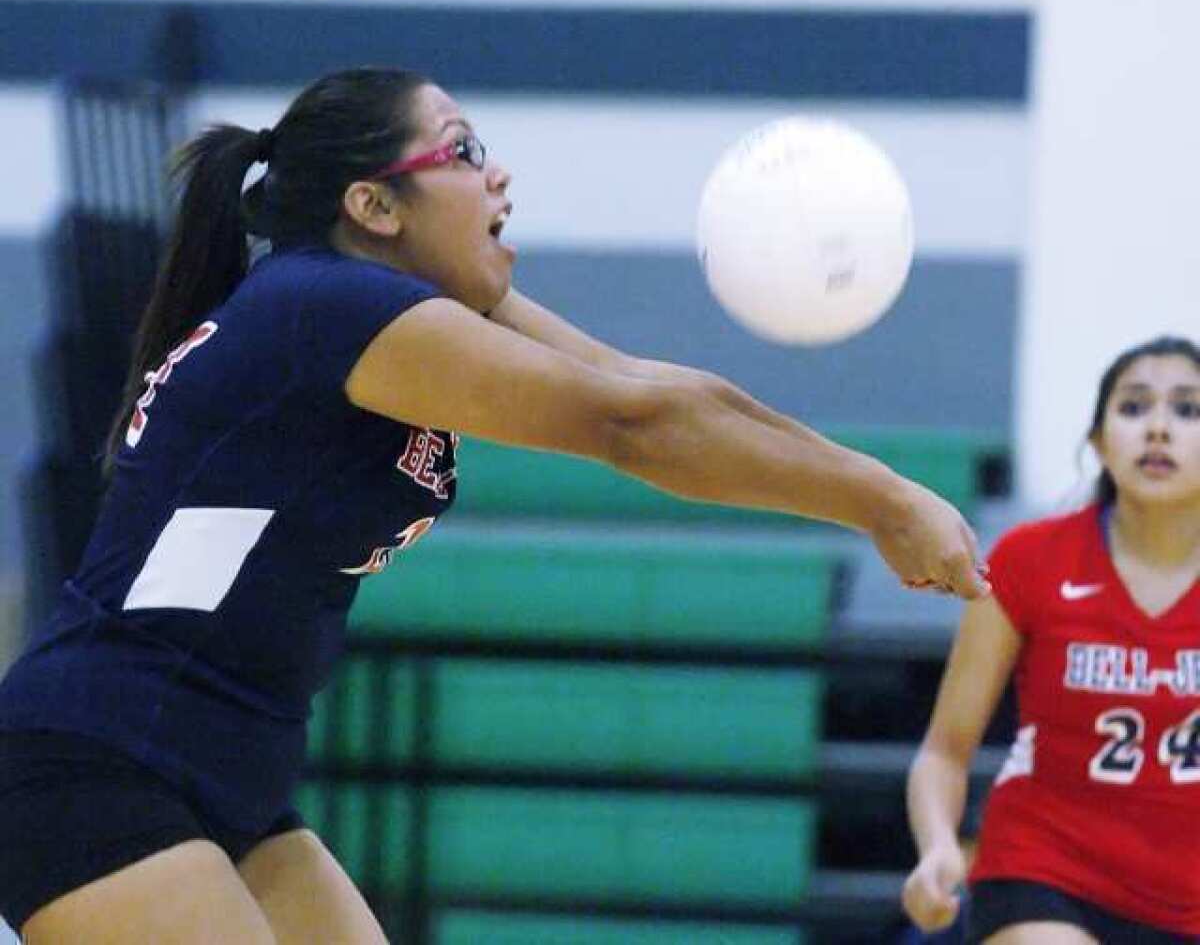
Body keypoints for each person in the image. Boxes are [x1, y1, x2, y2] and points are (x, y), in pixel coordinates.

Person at [0, 66, 988, 943]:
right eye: (466, 151)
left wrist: (885, 493)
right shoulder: (323, 304)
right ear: (375, 206)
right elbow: (633, 429)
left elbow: (654, 392)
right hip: (97, 761)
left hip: (231, 779)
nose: (500, 175)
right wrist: (876, 498)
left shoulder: (390, 308)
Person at [902, 335, 1200, 944]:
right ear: (1098, 443)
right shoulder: (1031, 560)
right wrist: (937, 849)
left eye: (1188, 409)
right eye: (1135, 407)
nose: (1160, 429)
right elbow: (945, 750)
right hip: (1043, 872)